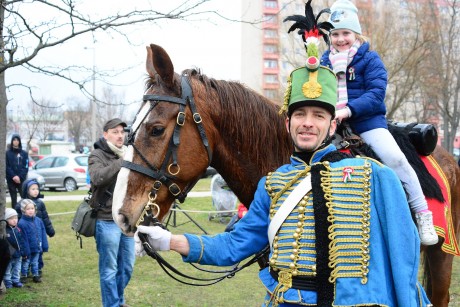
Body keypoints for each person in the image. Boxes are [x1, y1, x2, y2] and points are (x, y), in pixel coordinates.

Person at [134, 5, 432, 305]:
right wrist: (170, 241)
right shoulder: (272, 185)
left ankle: (426, 214)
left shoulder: (376, 177)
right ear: (287, 123)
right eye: (300, 114)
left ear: (332, 124)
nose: (307, 123)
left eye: (318, 115)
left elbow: (403, 267)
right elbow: (234, 246)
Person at [319, 0, 438, 246]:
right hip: (333, 127)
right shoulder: (324, 62)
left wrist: (348, 110)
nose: (341, 39)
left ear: (356, 34)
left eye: (346, 33)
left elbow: (375, 94)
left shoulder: (370, 59)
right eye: (336, 34)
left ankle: (422, 213)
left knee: (396, 159)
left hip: (367, 123)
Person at [88, 118, 135, 307]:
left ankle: (118, 300)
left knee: (127, 267)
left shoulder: (129, 153)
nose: (120, 135)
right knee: (109, 269)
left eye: (122, 132)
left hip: (127, 220)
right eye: (115, 132)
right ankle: (112, 304)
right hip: (106, 220)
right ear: (105, 134)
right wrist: (122, 162)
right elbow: (98, 178)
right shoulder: (96, 155)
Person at [16, 178, 55, 275]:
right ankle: (26, 269)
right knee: (27, 252)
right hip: (26, 234)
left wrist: (50, 230)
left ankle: (38, 268)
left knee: (39, 251)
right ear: (26, 190)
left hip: (37, 232)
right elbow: (17, 220)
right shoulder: (20, 204)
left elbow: (45, 218)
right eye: (32, 189)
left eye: (37, 188)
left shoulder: (40, 203)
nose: (36, 191)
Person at [18, 199, 48, 283]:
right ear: (23, 210)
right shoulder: (22, 223)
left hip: (37, 247)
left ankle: (35, 275)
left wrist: (44, 246)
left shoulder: (38, 220)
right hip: (28, 249)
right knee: (26, 262)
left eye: (32, 208)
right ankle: (24, 275)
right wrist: (25, 251)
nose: (30, 210)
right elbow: (23, 239)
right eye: (28, 209)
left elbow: (43, 233)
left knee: (35, 262)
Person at [3, 208, 27, 289]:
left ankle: (16, 280)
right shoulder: (5, 231)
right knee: (8, 269)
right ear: (6, 219)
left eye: (16, 218)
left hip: (18, 254)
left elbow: (21, 242)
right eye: (11, 218)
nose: (14, 220)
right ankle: (7, 281)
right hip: (9, 255)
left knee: (17, 268)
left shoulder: (18, 229)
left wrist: (23, 253)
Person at [6, 134, 29, 208]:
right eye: (14, 140)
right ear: (12, 141)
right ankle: (15, 216)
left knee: (24, 198)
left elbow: (26, 166)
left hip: (21, 180)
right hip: (11, 179)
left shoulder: (24, 153)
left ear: (19, 141)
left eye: (17, 140)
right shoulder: (7, 153)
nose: (16, 142)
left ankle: (25, 214)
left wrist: (19, 177)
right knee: (13, 198)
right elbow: (7, 166)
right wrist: (14, 176)